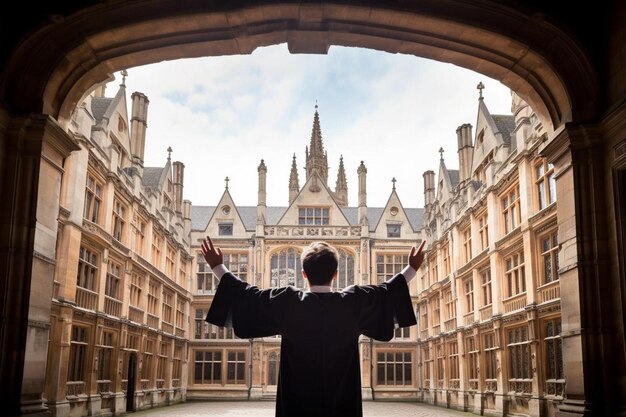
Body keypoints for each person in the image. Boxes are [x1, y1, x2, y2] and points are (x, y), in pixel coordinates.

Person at [202, 236, 426, 417]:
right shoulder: (353, 303)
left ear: (304, 274)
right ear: (336, 275)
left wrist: (218, 266)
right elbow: (386, 293)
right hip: (341, 402)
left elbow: (247, 297)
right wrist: (411, 268)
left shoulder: (287, 303)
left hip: (298, 403)